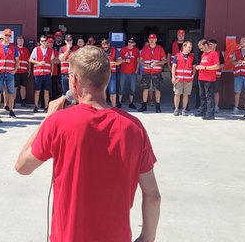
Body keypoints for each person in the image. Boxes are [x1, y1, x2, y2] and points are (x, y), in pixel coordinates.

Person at [15, 46, 160, 242]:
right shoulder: (134, 128)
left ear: (74, 80)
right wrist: (146, 239)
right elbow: (153, 195)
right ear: (107, 80)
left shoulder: (58, 123)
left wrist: (47, 120)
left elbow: (22, 167)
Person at [0, 28, 19, 118]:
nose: (7, 37)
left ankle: (11, 110)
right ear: (3, 36)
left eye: (9, 36)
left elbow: (17, 60)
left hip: (10, 73)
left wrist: (15, 70)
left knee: (11, 92)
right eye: (6, 35)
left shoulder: (14, 47)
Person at [138, 34, 166, 113]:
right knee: (145, 89)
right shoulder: (145, 48)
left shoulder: (160, 48)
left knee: (157, 89)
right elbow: (140, 60)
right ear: (148, 40)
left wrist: (157, 64)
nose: (152, 40)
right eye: (150, 39)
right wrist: (145, 64)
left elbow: (164, 60)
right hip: (146, 71)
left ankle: (158, 106)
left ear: (156, 40)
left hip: (157, 72)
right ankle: (144, 106)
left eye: (153, 39)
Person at [194, 39, 220, 120]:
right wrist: (199, 67)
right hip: (201, 78)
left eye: (201, 48)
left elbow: (217, 66)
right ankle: (202, 110)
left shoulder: (213, 53)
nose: (201, 50)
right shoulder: (203, 55)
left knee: (209, 96)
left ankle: (210, 114)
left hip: (209, 79)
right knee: (202, 96)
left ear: (206, 45)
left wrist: (204, 67)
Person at [29, 35, 55, 113]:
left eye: (45, 41)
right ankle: (36, 106)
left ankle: (46, 107)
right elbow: (30, 59)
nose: (43, 42)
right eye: (42, 41)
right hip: (38, 73)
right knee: (37, 90)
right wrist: (38, 63)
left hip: (47, 73)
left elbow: (52, 62)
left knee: (46, 91)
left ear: (47, 42)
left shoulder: (51, 50)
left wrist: (51, 72)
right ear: (40, 42)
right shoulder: (36, 49)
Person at [171, 41, 194, 116]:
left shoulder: (192, 57)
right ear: (184, 47)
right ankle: (176, 109)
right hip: (179, 79)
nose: (190, 49)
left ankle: (184, 110)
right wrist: (173, 77)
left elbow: (194, 68)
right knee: (177, 94)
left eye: (191, 47)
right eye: (189, 47)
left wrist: (192, 76)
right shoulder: (177, 56)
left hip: (188, 79)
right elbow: (173, 67)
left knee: (186, 94)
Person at [231, 36, 245, 114]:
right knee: (237, 91)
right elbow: (232, 62)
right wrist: (237, 62)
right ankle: (236, 108)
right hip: (238, 74)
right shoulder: (236, 51)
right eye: (240, 41)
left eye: (243, 41)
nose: (241, 42)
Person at [119, 36, 140, 109]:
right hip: (123, 71)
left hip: (132, 72)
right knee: (121, 87)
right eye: (129, 42)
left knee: (132, 88)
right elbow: (119, 60)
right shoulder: (123, 49)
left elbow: (138, 61)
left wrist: (137, 70)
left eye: (131, 42)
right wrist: (124, 60)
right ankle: (119, 102)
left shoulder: (136, 50)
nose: (130, 43)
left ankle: (131, 103)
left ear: (134, 43)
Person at [100, 38, 122, 107]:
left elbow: (120, 60)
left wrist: (114, 63)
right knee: (102, 90)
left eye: (106, 46)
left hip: (112, 73)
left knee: (113, 90)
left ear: (109, 45)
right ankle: (104, 105)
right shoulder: (99, 51)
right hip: (102, 74)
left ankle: (114, 106)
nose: (105, 48)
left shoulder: (114, 50)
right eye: (103, 47)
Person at [208, 39, 224, 113]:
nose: (210, 45)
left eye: (211, 44)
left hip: (216, 76)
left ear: (215, 45)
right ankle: (208, 106)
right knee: (208, 92)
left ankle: (216, 107)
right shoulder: (206, 53)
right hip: (207, 76)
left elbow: (222, 64)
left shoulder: (218, 53)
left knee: (216, 91)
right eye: (209, 44)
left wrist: (216, 67)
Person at [14, 35, 30, 107]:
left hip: (24, 71)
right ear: (17, 41)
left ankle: (23, 101)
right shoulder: (14, 49)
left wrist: (29, 70)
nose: (20, 42)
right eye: (19, 40)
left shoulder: (26, 50)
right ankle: (13, 102)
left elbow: (29, 60)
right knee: (15, 87)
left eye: (21, 40)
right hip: (16, 71)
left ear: (23, 42)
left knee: (23, 86)